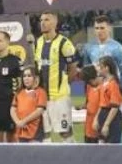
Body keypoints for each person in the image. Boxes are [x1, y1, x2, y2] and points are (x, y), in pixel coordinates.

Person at [35, 12, 80, 142]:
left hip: (59, 98)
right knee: (44, 133)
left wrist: (64, 85)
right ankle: (48, 161)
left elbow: (73, 68)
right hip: (42, 98)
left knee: (64, 132)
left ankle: (72, 160)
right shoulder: (38, 42)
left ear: (55, 23)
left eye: (47, 20)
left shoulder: (64, 43)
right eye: (41, 19)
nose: (42, 22)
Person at [81, 16, 122, 89]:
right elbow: (87, 73)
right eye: (97, 28)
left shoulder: (117, 48)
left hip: (111, 90)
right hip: (95, 92)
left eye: (102, 28)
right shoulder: (89, 47)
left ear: (109, 28)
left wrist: (118, 90)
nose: (99, 31)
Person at [11, 66, 48, 143]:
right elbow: (12, 109)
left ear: (36, 78)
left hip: (35, 131)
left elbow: (39, 111)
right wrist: (18, 122)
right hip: (20, 130)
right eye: (24, 76)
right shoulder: (19, 93)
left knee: (34, 153)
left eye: (29, 76)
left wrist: (24, 121)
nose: (26, 78)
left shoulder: (41, 92)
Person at [95, 56, 122, 144]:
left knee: (111, 146)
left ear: (107, 68)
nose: (98, 69)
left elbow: (115, 107)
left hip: (112, 117)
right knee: (101, 143)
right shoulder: (103, 83)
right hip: (103, 114)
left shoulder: (113, 84)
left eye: (100, 66)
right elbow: (101, 103)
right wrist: (96, 118)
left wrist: (106, 124)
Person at [81, 65, 102, 143]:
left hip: (97, 124)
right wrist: (82, 107)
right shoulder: (88, 86)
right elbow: (88, 103)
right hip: (88, 125)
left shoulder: (103, 87)